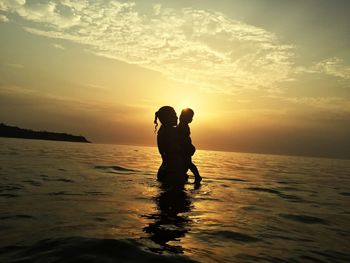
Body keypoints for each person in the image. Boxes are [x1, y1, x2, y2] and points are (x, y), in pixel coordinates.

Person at [154, 106, 187, 185]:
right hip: (172, 172)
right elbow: (177, 149)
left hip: (166, 170)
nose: (177, 117)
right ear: (167, 118)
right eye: (174, 115)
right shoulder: (171, 132)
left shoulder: (162, 131)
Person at [177, 108, 202, 184]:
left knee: (188, 163)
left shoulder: (184, 126)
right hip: (186, 147)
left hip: (186, 148)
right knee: (186, 163)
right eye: (190, 117)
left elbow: (184, 138)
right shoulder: (182, 125)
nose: (192, 119)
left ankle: (197, 176)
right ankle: (191, 175)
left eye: (191, 117)